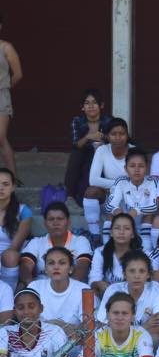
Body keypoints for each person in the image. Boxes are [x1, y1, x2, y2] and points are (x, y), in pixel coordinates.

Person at [97, 251, 159, 346]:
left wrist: (123, 328)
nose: (137, 276)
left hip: (143, 342)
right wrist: (146, 326)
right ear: (124, 274)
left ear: (148, 274)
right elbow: (105, 326)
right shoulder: (113, 290)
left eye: (142, 271)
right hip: (115, 343)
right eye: (132, 271)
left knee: (155, 338)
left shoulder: (157, 289)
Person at [19, 202, 93, 286]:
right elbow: (25, 268)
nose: (55, 223)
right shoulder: (36, 242)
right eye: (51, 219)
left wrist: (66, 289)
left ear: (68, 222)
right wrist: (33, 287)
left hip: (73, 287)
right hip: (41, 288)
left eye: (60, 219)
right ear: (45, 223)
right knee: (21, 286)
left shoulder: (80, 241)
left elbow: (82, 267)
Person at [66, 89, 113, 205]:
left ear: (101, 105)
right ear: (82, 107)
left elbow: (118, 140)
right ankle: (70, 197)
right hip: (84, 157)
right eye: (87, 103)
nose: (91, 106)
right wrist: (89, 137)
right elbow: (76, 143)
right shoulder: (77, 121)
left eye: (94, 102)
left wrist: (104, 139)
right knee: (75, 153)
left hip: (105, 156)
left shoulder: (109, 121)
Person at [27, 248, 88, 334]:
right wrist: (63, 326)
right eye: (51, 263)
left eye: (62, 263)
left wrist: (54, 324)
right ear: (45, 269)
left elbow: (87, 329)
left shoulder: (83, 290)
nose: (56, 267)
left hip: (75, 344)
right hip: (39, 343)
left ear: (71, 269)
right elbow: (27, 323)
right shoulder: (35, 287)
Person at [0, 20, 22, 176]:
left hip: (1, 95)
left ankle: (12, 179)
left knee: (0, 138)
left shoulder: (6, 47)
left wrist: (5, 87)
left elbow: (18, 74)